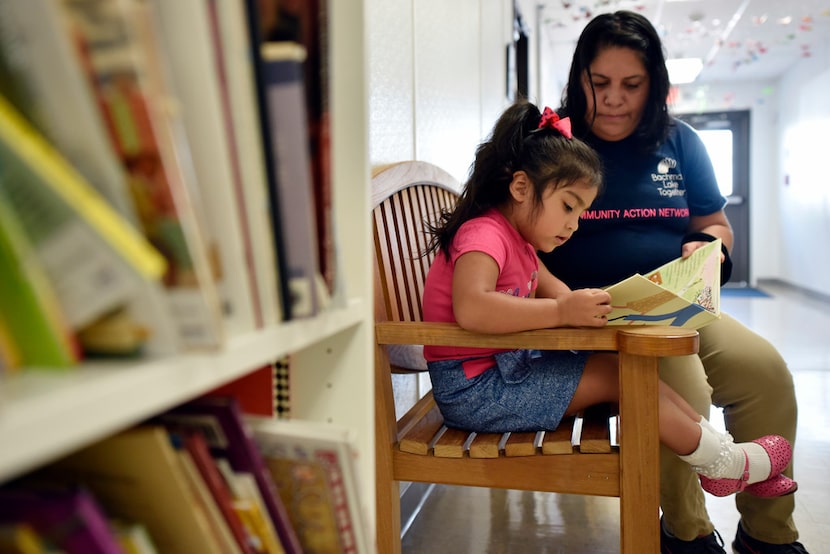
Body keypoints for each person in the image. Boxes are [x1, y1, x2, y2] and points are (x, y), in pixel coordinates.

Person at [420, 100, 795, 511]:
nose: (573, 225)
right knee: (622, 379)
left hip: (504, 375)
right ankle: (722, 462)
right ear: (521, 187)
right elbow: (473, 309)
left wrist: (607, 308)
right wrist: (563, 313)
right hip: (476, 391)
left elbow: (559, 292)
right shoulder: (484, 235)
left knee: (628, 370)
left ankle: (719, 456)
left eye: (581, 212)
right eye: (568, 206)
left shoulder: (518, 243)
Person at [539, 10, 807, 554]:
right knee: (681, 380)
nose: (614, 98)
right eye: (600, 83)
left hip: (674, 305)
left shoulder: (678, 142)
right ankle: (684, 531)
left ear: (654, 85)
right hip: (582, 318)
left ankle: (767, 534)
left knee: (766, 374)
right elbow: (509, 239)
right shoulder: (551, 143)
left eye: (631, 85)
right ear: (579, 79)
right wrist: (563, 301)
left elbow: (715, 224)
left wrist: (709, 248)